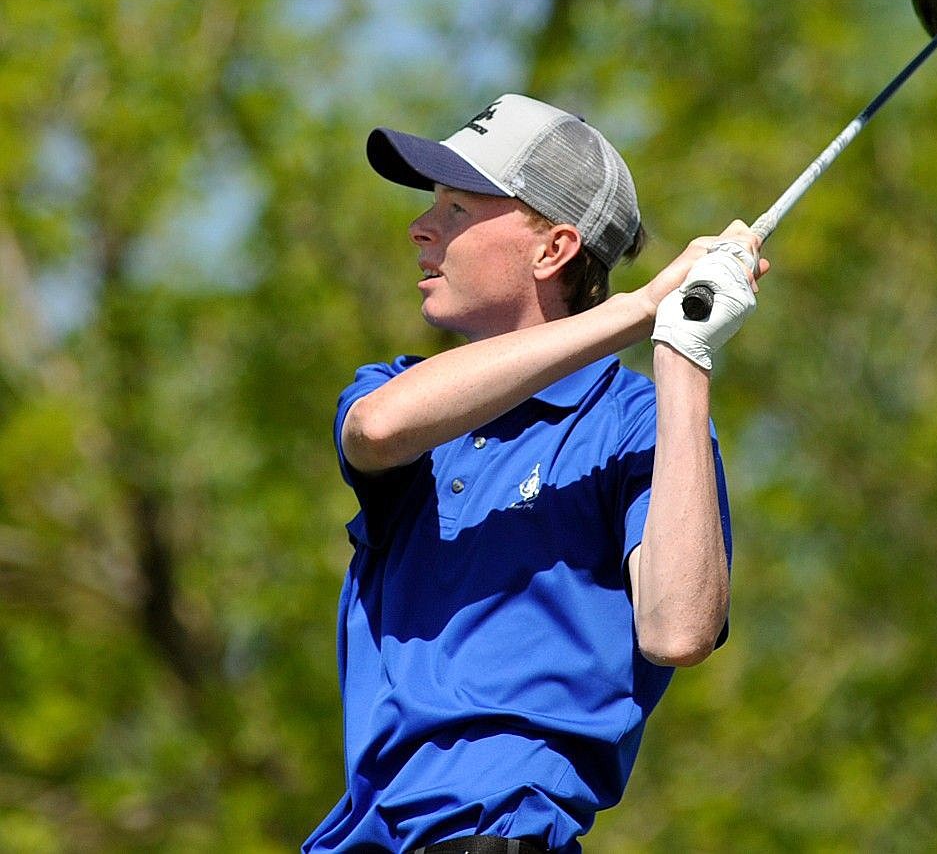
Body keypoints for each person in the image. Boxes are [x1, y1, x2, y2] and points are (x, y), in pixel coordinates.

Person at [303, 93, 767, 854]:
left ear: (552, 251)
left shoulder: (634, 424)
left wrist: (682, 349)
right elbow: (378, 428)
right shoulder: (392, 390)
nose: (420, 228)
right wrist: (637, 309)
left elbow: (677, 628)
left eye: (457, 210)